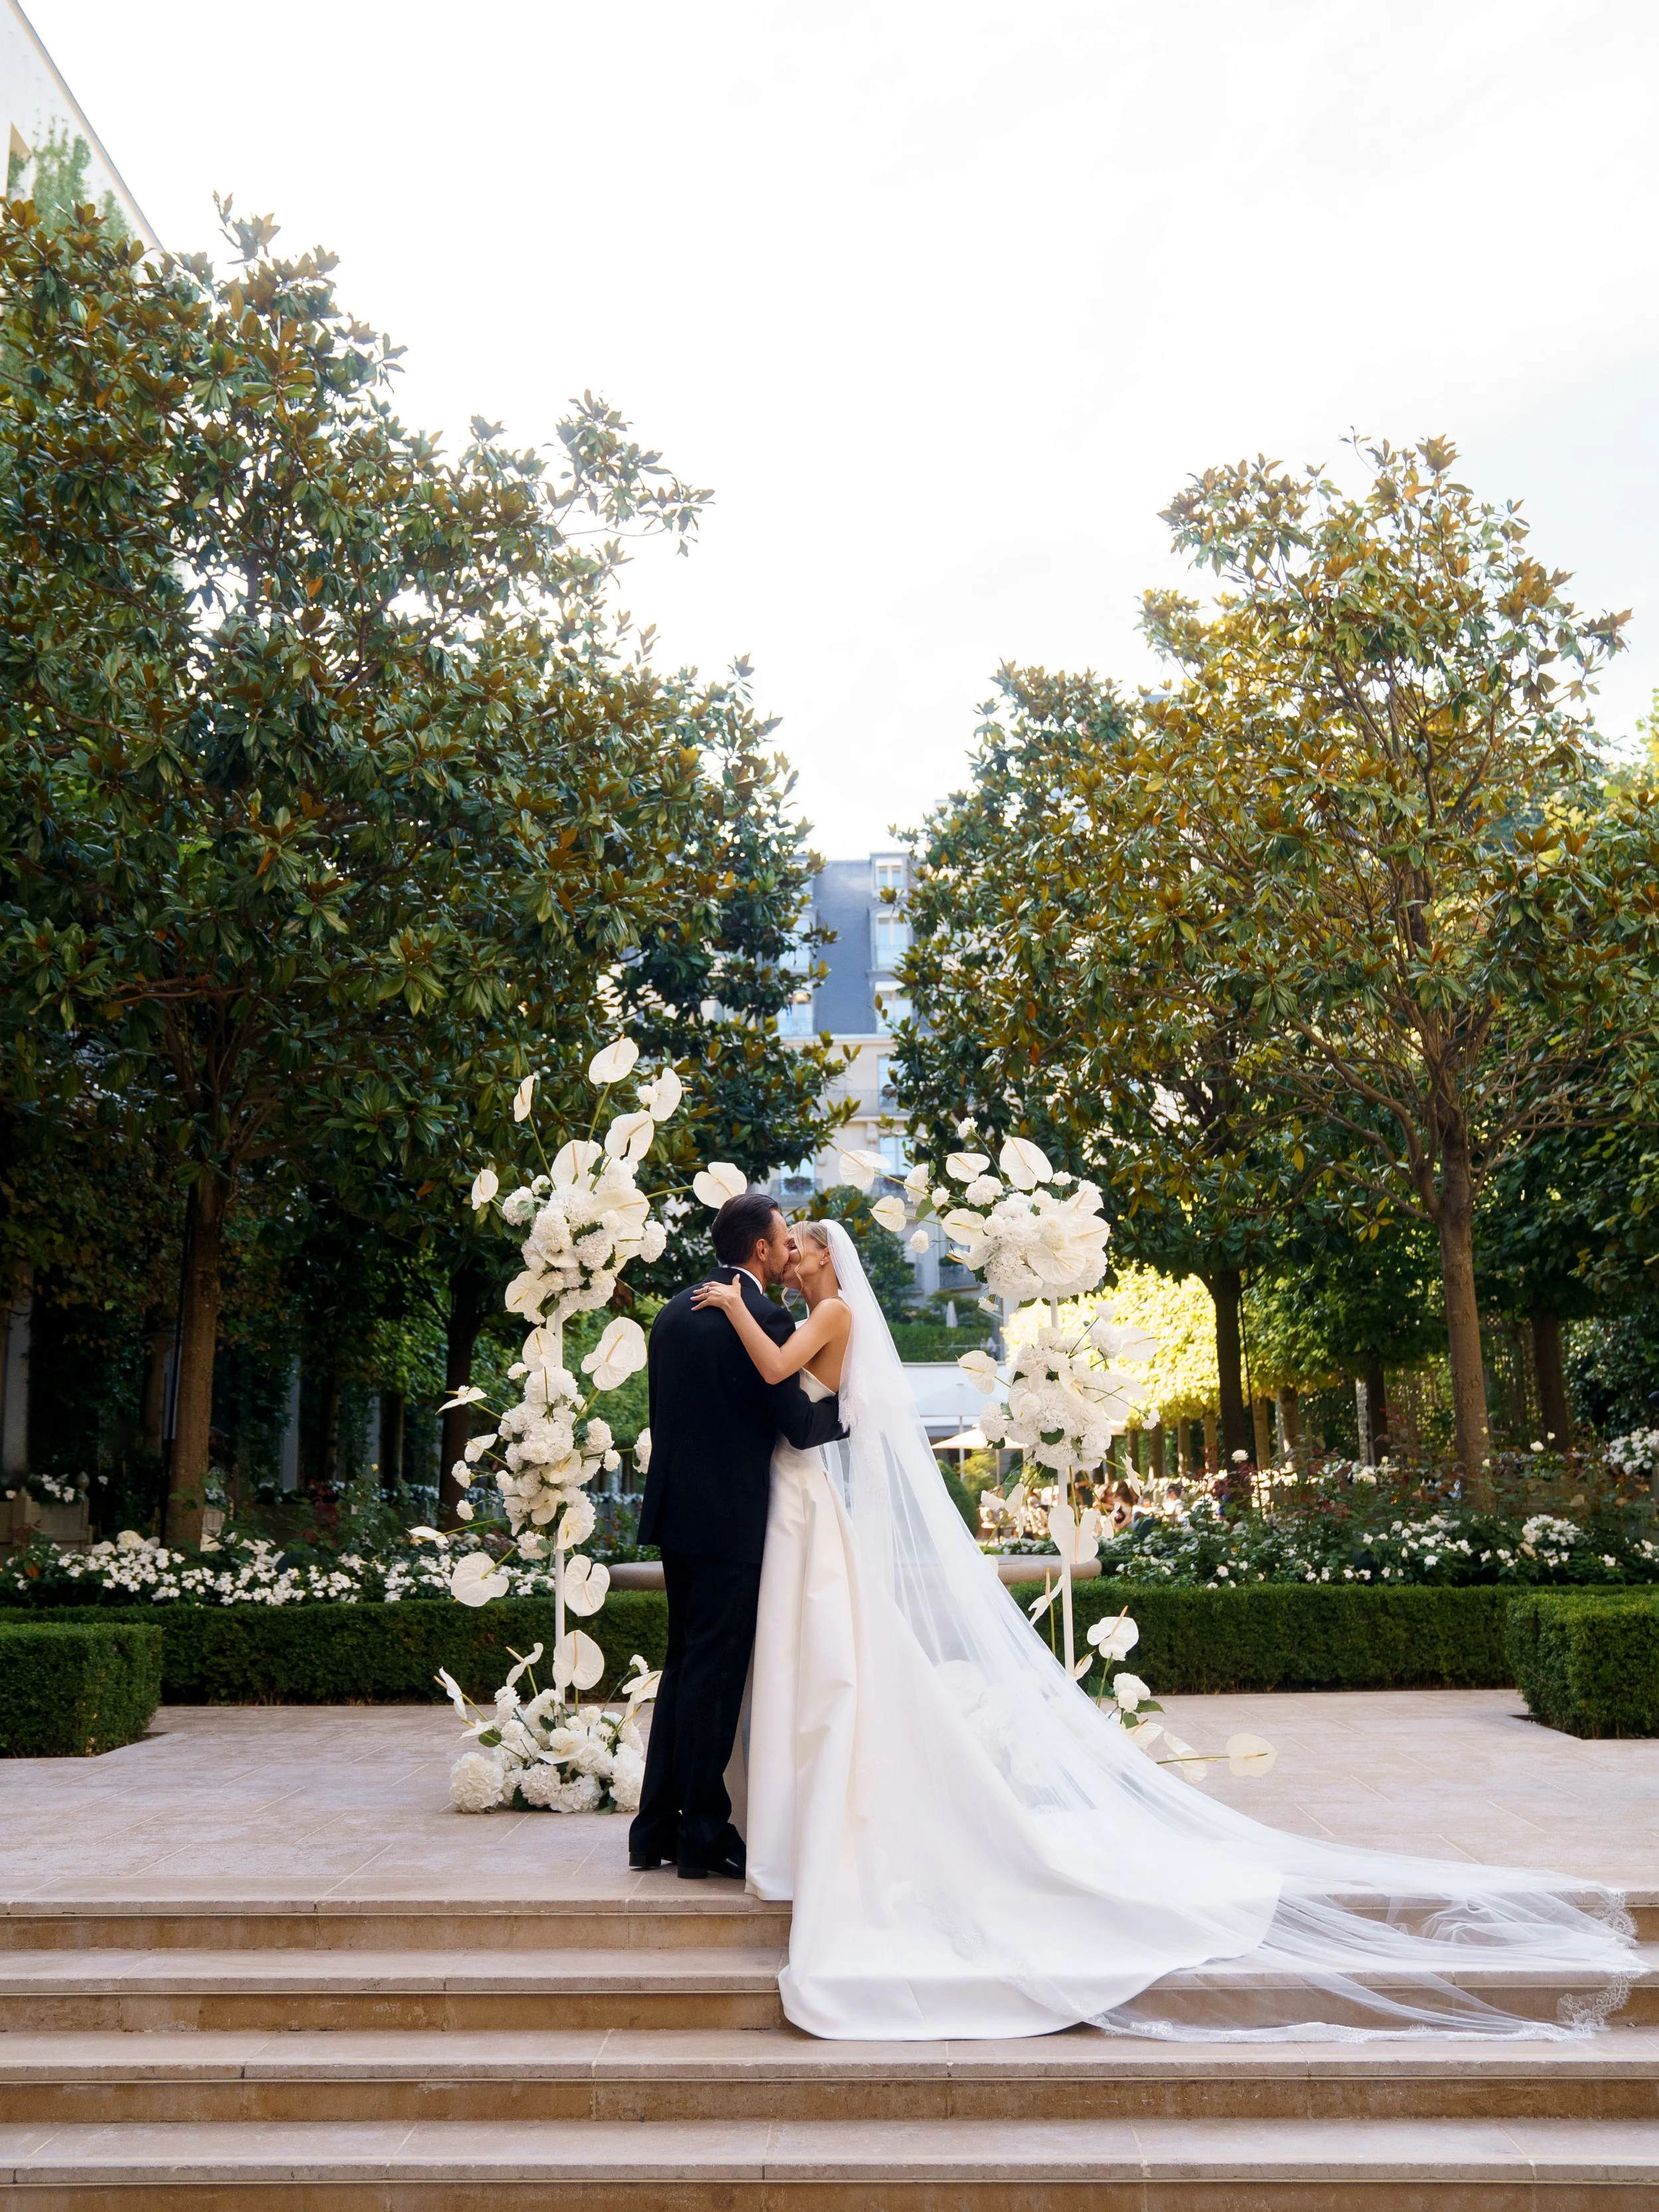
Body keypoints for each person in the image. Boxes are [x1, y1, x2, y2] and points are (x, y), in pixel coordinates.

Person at [687, 1215, 1640, 2043]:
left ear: (819, 1261)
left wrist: (732, 1309)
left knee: (838, 1668)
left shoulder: (830, 1312)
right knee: (832, 1667)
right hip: (797, 1499)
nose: (792, 1251)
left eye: (803, 1244)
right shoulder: (808, 1309)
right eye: (790, 1243)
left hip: (804, 1496)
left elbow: (782, 1374)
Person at [628, 1191, 845, 1880]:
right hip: (732, 1521)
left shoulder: (669, 1311)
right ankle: (703, 1835)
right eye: (784, 1241)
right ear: (760, 1248)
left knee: (684, 1669)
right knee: (713, 1676)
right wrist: (847, 1412)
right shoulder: (764, 1314)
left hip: (675, 1515)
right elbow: (796, 1422)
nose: (789, 1252)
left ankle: (652, 1828)